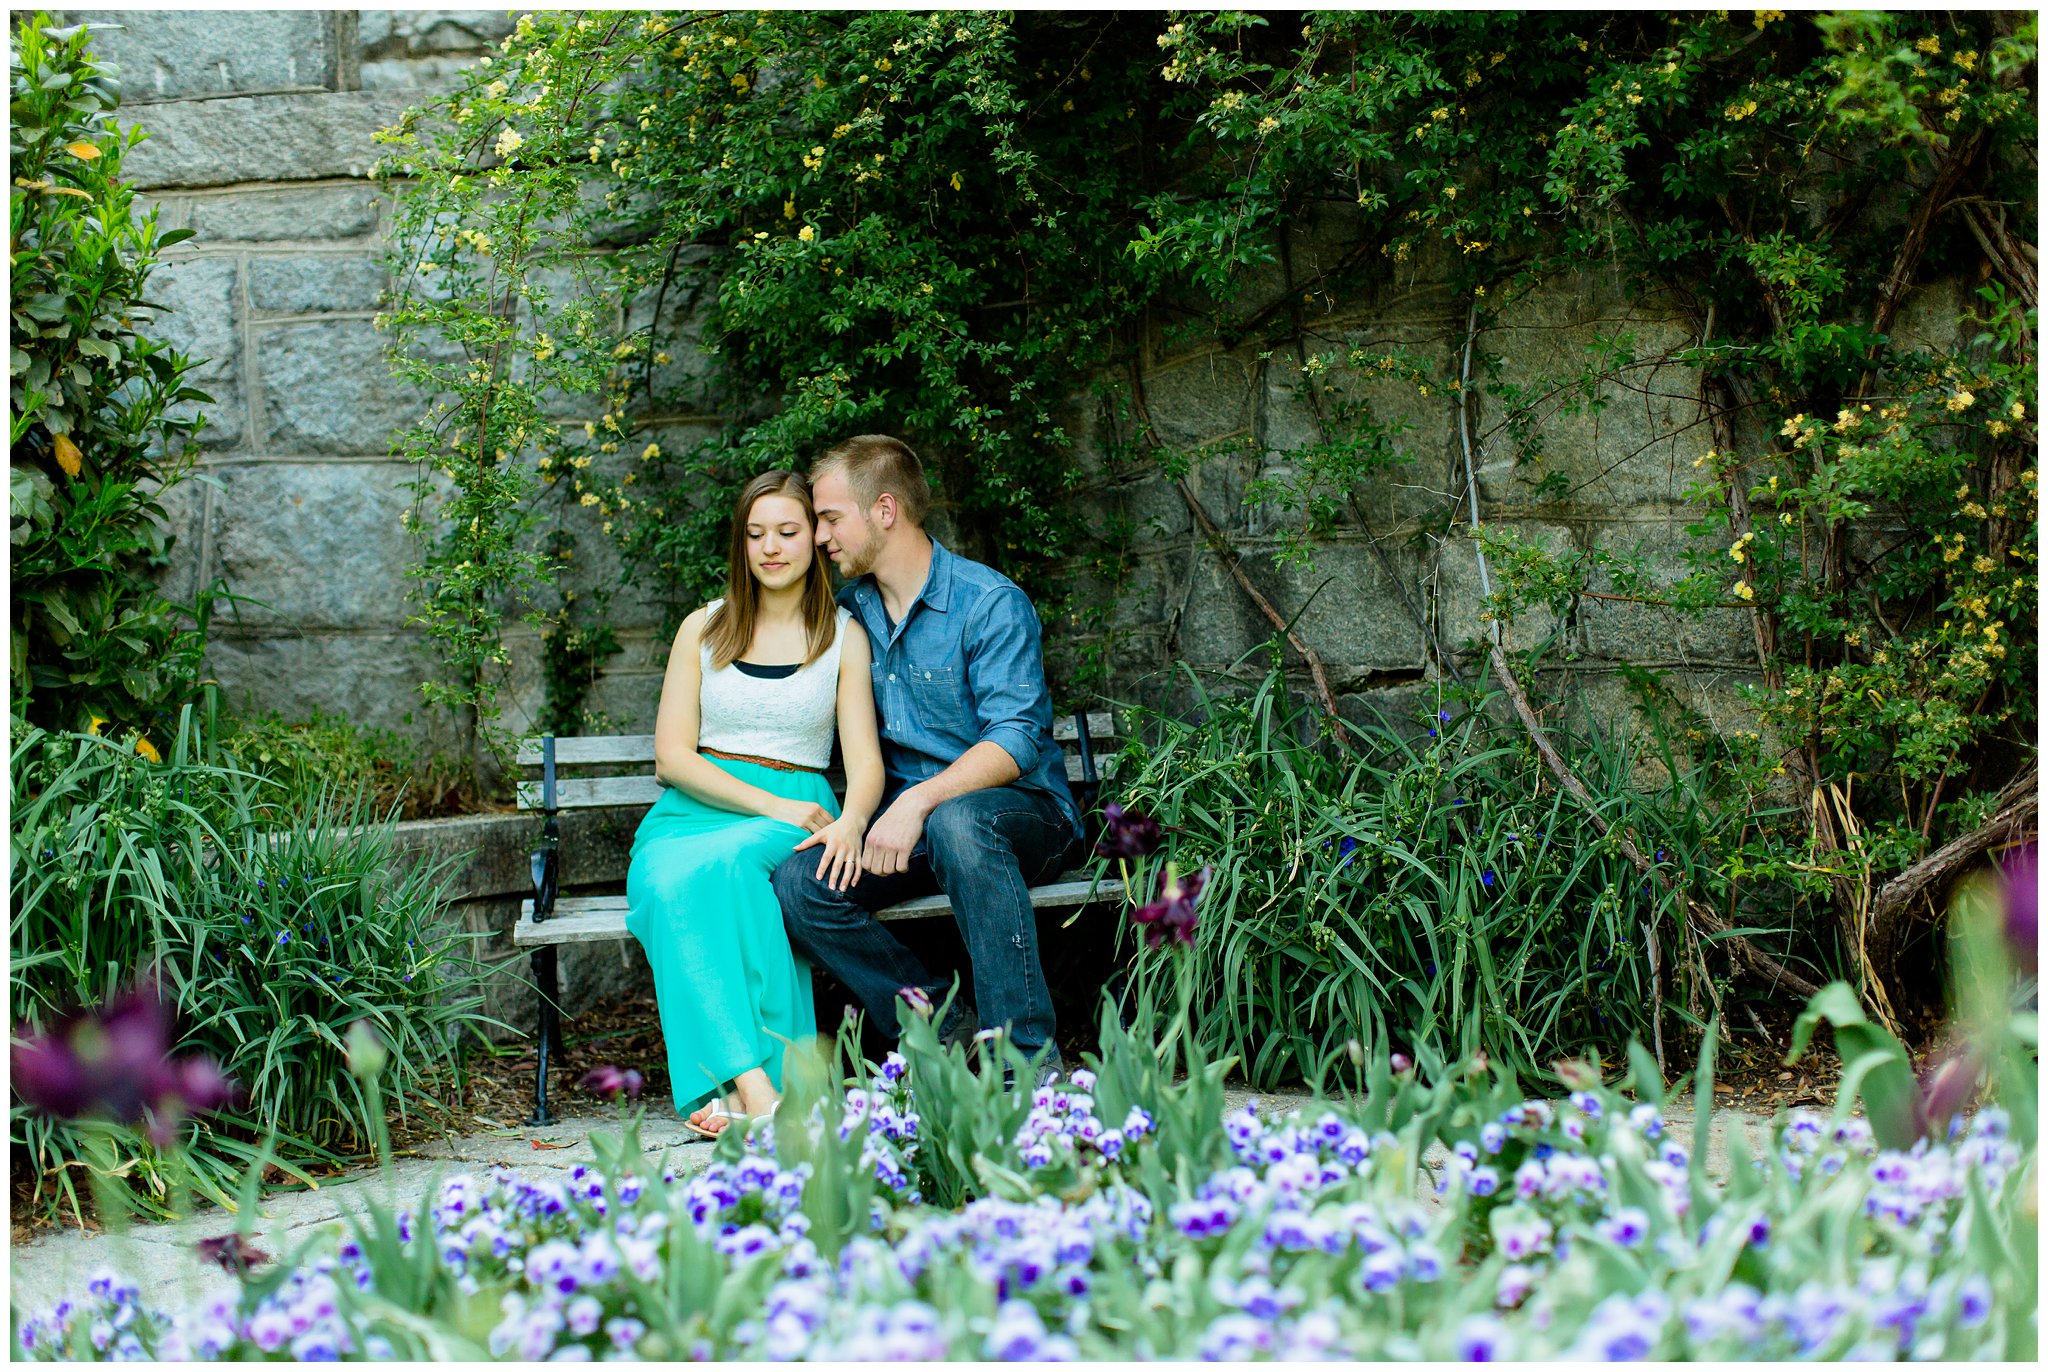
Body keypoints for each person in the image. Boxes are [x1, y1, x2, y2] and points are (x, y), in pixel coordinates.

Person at [772, 434, 1080, 1080]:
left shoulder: (988, 604)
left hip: (1021, 817)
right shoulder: (850, 611)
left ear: (884, 510)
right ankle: (944, 1028)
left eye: (830, 518)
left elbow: (1018, 739)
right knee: (802, 884)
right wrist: (860, 815)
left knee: (957, 822)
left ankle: (1025, 1065)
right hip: (912, 829)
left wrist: (918, 800)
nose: (821, 536)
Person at [625, 469, 884, 1136]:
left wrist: (852, 822)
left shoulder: (841, 636)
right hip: (693, 810)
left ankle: (745, 1085)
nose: (771, 547)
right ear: (741, 545)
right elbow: (673, 757)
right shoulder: (704, 628)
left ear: (814, 539)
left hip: (798, 801)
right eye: (756, 533)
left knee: (728, 872)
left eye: (788, 531)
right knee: (668, 880)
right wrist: (768, 806)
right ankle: (756, 1085)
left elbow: (864, 763)